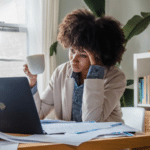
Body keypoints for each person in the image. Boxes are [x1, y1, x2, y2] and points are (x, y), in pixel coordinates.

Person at [23, 8, 126, 122]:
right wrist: (32, 83)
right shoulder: (60, 72)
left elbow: (92, 121)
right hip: (70, 138)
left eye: (83, 55)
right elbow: (39, 114)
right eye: (72, 51)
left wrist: (94, 74)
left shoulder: (116, 78)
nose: (74, 59)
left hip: (108, 138)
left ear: (98, 56)